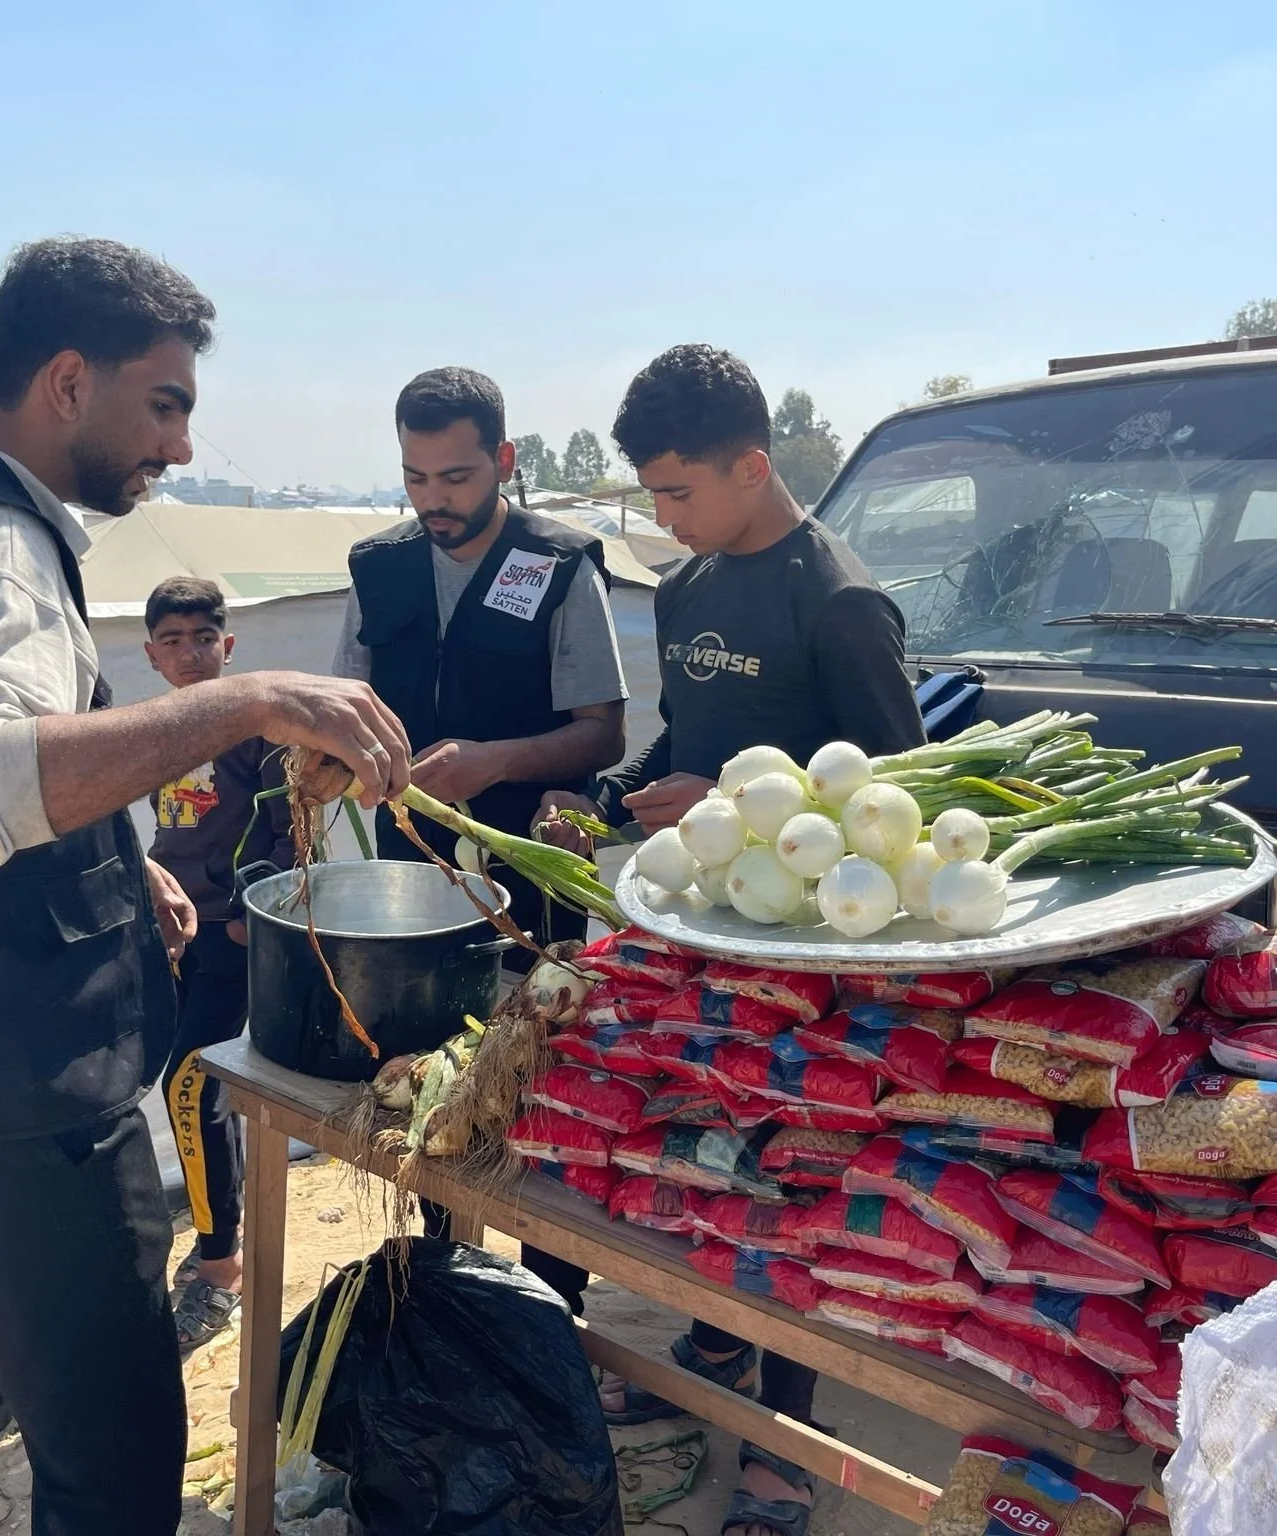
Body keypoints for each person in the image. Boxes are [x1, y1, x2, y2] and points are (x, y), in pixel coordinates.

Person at [0, 237, 410, 1536]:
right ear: (69, 381)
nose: (180, 445)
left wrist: (127, 869)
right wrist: (257, 694)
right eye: (164, 402)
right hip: (0, 1089)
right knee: (114, 1455)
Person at [537, 344, 925, 1536]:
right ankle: (711, 1339)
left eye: (677, 494)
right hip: (693, 943)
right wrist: (609, 805)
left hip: (809, 968)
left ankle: (783, 1448)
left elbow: (904, 799)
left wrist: (750, 798)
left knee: (791, 1183)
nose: (661, 518)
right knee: (689, 1145)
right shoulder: (690, 588)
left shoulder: (841, 600)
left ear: (752, 466)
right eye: (650, 495)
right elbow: (682, 747)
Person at [332, 365, 628, 964]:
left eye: (456, 478)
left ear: (505, 460)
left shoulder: (561, 566)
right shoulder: (377, 567)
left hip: (529, 867)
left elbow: (604, 735)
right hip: (408, 869)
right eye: (415, 478)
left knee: (528, 1034)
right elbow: (346, 705)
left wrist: (493, 762)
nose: (433, 500)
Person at [143, 575, 294, 1351]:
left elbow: (290, 828)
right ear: (151, 655)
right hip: (177, 935)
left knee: (190, 1083)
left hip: (234, 936)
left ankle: (220, 1266)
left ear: (227, 647)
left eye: (203, 638)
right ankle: (218, 1236)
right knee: (195, 1091)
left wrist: (247, 920)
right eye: (172, 641)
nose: (189, 653)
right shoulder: (150, 729)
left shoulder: (255, 728)